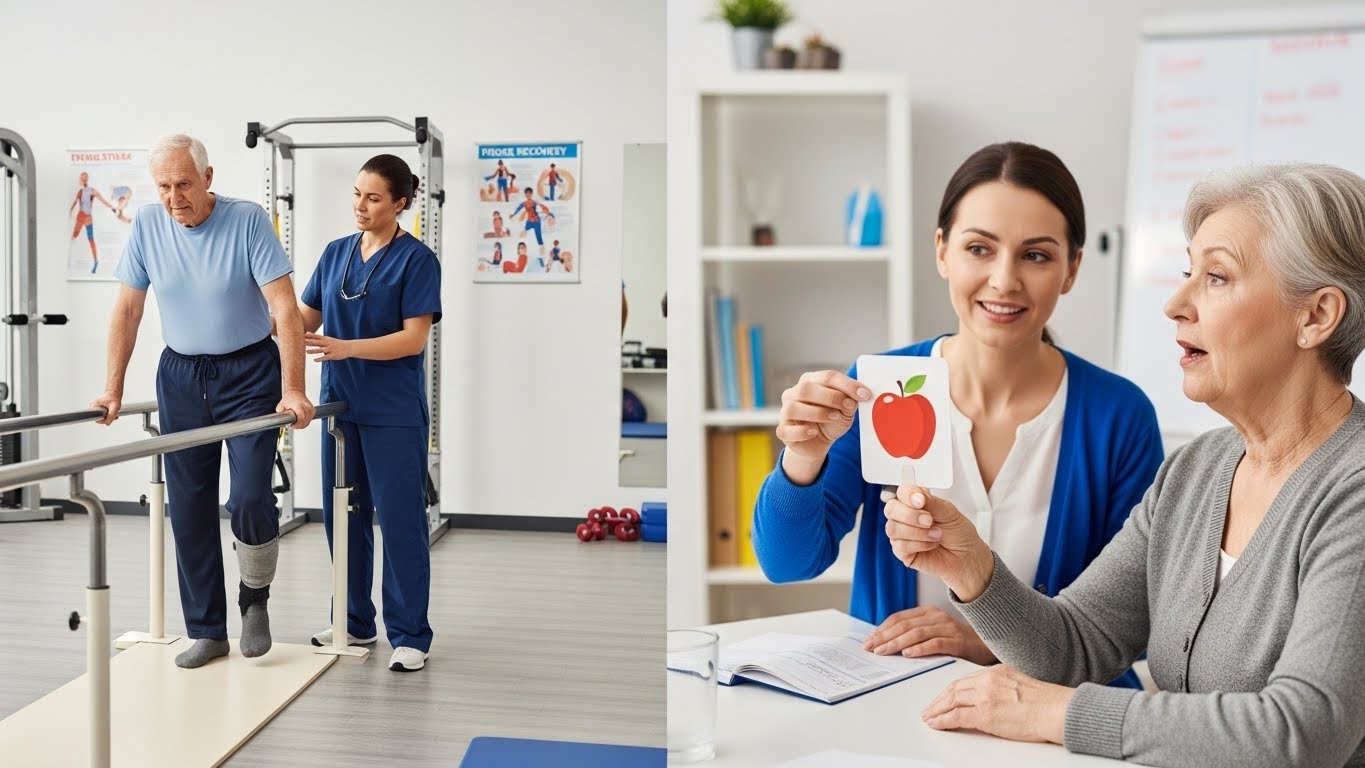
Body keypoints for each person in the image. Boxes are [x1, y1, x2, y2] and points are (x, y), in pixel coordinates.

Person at [902, 163, 1365, 767]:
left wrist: (1055, 713)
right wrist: (974, 570)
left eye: (1217, 277)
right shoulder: (1196, 470)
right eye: (1187, 273)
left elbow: (1300, 734)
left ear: (1315, 317)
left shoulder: (1352, 491)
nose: (1176, 304)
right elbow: (1076, 644)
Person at [753, 143, 1162, 689]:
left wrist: (990, 639)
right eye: (979, 249)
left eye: (1036, 255)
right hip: (894, 704)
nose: (1004, 280)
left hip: (1050, 719)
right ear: (942, 251)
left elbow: (1128, 624)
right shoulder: (881, 386)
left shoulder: (1119, 416)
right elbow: (787, 564)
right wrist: (803, 456)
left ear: (1072, 269)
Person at [91, 133, 314, 669]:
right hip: (181, 375)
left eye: (184, 184)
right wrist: (113, 388)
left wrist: (294, 389)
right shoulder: (147, 224)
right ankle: (208, 630)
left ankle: (254, 597)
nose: (173, 197)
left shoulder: (247, 220)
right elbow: (127, 311)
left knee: (251, 496)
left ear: (208, 179)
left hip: (249, 372)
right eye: (164, 186)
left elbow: (284, 310)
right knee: (188, 507)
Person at [295, 154, 441, 672]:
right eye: (357, 193)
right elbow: (302, 318)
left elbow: (412, 338)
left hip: (393, 412)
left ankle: (409, 635)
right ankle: (352, 622)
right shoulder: (335, 254)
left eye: (374, 197)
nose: (361, 205)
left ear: (400, 203)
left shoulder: (417, 260)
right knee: (344, 519)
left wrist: (347, 347)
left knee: (400, 523)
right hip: (339, 408)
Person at [70, 171, 113, 273]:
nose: (83, 180)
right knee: (75, 235)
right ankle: (72, 258)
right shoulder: (79, 192)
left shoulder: (91, 191)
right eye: (82, 178)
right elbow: (74, 203)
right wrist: (70, 213)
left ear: (87, 179)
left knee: (90, 239)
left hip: (87, 217)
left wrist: (112, 207)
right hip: (81, 216)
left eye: (84, 178)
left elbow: (103, 200)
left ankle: (95, 261)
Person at [509, 186, 555, 261]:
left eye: (529, 193)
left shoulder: (534, 202)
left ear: (531, 194)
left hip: (536, 221)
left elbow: (543, 208)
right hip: (529, 221)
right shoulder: (524, 203)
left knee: (539, 237)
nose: (528, 195)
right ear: (525, 194)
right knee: (524, 231)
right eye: (527, 193)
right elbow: (518, 209)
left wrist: (550, 214)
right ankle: (519, 249)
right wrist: (513, 214)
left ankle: (542, 253)